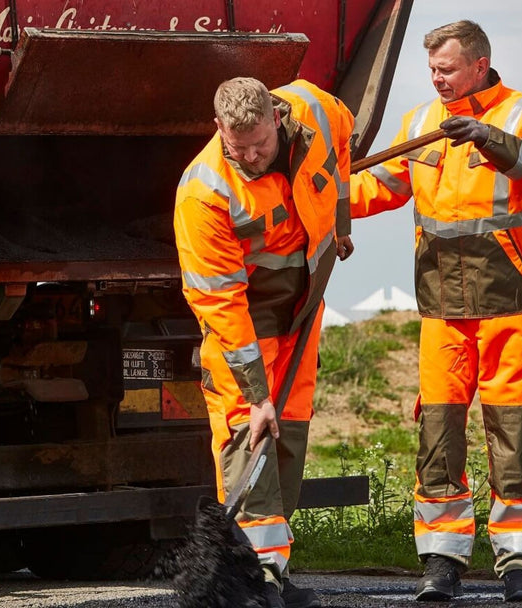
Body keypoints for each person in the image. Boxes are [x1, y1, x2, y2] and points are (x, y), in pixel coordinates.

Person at [350, 20, 522, 603]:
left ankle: (518, 561)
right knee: (437, 438)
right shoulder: (421, 124)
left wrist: (489, 139)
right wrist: (314, 199)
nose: (436, 79)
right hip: (442, 311)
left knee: (514, 438)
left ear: (479, 65)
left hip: (512, 307)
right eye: (431, 70)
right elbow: (376, 188)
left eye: (446, 69)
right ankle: (441, 562)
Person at [174, 76, 355, 608]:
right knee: (246, 442)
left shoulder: (318, 112)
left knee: (290, 439)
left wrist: (338, 221)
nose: (251, 156)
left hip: (301, 314)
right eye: (238, 148)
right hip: (244, 330)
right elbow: (221, 303)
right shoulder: (203, 191)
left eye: (260, 144)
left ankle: (274, 571)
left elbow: (341, 149)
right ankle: (257, 583)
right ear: (217, 130)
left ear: (277, 118)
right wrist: (256, 396)